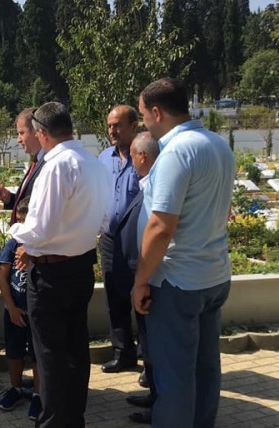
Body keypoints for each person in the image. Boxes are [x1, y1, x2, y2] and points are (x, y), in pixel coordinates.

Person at [132, 78, 234, 427]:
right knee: (206, 370)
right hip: (213, 275)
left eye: (144, 115)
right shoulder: (218, 144)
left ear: (157, 112)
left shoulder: (177, 152)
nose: (143, 122)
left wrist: (140, 282)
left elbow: (161, 227)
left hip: (178, 281)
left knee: (174, 377)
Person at [10, 102, 110, 428]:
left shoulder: (57, 166)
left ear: (42, 133)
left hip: (51, 272)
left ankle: (54, 422)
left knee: (51, 354)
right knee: (75, 352)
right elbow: (105, 218)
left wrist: (11, 230)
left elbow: (40, 229)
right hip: (80, 266)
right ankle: (72, 418)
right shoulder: (92, 162)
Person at [113, 133, 159, 425]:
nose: (130, 160)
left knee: (153, 341)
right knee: (146, 337)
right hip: (139, 272)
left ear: (142, 156)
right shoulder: (148, 181)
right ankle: (154, 393)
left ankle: (159, 402)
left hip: (149, 275)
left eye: (132, 155)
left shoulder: (156, 183)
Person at [97, 105, 141, 374]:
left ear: (134, 126)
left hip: (138, 239)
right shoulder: (104, 157)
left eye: (118, 125)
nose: (112, 130)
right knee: (115, 298)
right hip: (111, 238)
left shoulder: (146, 155)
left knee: (143, 300)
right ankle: (123, 353)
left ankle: (149, 362)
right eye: (110, 125)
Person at [0, 197, 42, 421]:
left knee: (37, 355)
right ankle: (15, 388)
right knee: (14, 352)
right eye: (19, 221)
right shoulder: (13, 242)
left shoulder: (43, 244)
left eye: (27, 222)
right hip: (15, 311)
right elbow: (3, 276)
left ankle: (38, 394)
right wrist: (11, 307)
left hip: (37, 313)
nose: (22, 227)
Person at [0, 107, 44, 225]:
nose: (18, 140)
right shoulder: (37, 161)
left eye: (21, 133)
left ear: (36, 132)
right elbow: (29, 203)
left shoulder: (49, 164)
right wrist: (10, 198)